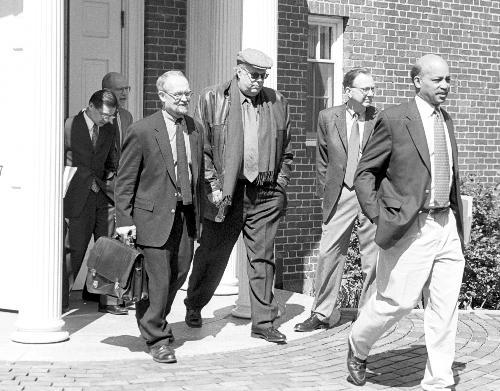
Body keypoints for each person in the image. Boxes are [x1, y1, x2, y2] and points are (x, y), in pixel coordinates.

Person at [346, 54, 465, 390]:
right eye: (437, 80)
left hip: (446, 224)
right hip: (410, 226)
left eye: (447, 80)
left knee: (444, 309)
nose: (445, 86)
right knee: (395, 302)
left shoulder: (446, 120)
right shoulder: (395, 119)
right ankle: (359, 343)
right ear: (417, 81)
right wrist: (378, 216)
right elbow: (365, 173)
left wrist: (457, 219)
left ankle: (438, 382)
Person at [184, 48, 293, 344]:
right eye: (254, 75)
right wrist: (213, 187)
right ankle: (194, 304)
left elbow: (286, 149)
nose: (259, 82)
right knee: (212, 254)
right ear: (238, 71)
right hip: (226, 192)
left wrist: (280, 183)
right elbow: (202, 149)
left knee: (263, 259)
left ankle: (264, 322)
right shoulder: (212, 99)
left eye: (263, 76)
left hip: (265, 191)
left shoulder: (277, 102)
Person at [114, 70, 203, 364]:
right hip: (150, 218)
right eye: (177, 94)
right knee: (158, 280)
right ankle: (156, 337)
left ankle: (156, 320)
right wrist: (125, 221)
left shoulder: (194, 128)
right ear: (162, 96)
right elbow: (125, 181)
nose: (183, 100)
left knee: (178, 273)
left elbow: (198, 172)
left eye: (187, 94)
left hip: (185, 216)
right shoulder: (141, 130)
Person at [294, 68, 378, 333]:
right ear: (347, 91)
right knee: (329, 252)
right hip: (340, 193)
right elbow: (322, 158)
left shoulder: (379, 119)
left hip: (371, 194)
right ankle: (322, 313)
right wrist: (326, 191)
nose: (370, 94)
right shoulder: (328, 117)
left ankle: (367, 314)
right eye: (364, 89)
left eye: (372, 89)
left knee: (372, 257)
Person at [63, 90, 118, 310]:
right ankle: (59, 300)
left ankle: (108, 300)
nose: (107, 119)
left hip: (103, 195)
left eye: (110, 115)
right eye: (103, 114)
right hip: (77, 196)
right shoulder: (68, 126)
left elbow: (112, 160)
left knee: (109, 247)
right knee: (73, 249)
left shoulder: (110, 128)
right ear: (91, 106)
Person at [98, 72, 134, 315]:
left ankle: (118, 295)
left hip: (123, 186)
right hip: (102, 186)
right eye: (119, 89)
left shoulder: (127, 116)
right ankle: (106, 299)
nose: (124, 93)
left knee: (122, 239)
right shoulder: (97, 115)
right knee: (108, 240)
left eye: (126, 88)